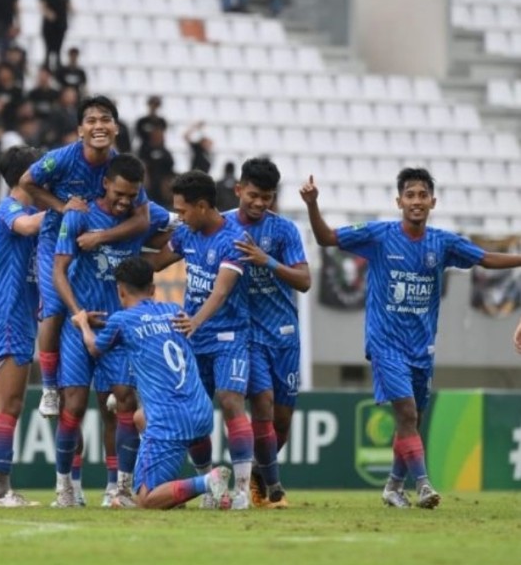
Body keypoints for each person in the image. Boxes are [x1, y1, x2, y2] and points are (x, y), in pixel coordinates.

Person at [300, 167, 521, 509]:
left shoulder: (443, 243)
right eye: (410, 195)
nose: (416, 201)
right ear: (398, 201)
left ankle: (392, 486)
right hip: (385, 342)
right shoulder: (378, 235)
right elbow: (326, 238)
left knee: (412, 420)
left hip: (422, 346)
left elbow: (487, 259)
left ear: (433, 201)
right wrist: (313, 205)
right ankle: (424, 486)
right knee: (405, 413)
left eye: (422, 195)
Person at [18, 95, 149, 419]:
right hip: (55, 236)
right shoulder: (61, 159)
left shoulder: (120, 166)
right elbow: (26, 182)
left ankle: (116, 383)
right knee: (56, 306)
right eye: (91, 121)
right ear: (80, 129)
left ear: (116, 128)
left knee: (110, 302)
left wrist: (101, 236)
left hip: (95, 234)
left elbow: (143, 218)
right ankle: (49, 386)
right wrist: (62, 208)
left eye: (105, 120)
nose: (98, 126)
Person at [73, 257, 233, 510]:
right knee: (139, 418)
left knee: (146, 500)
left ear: (120, 291)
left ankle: (208, 482)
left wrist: (82, 322)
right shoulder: (173, 311)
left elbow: (94, 348)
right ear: (152, 289)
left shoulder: (122, 321)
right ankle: (202, 489)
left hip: (169, 420)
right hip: (201, 411)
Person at [146, 171, 253, 509]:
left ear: (203, 206)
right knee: (194, 412)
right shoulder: (186, 235)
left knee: (231, 400)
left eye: (183, 210)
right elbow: (156, 261)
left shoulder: (234, 239)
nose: (179, 217)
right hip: (194, 336)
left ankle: (244, 491)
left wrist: (194, 320)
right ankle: (209, 486)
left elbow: (221, 292)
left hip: (229, 335)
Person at [51, 154, 148, 508]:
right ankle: (66, 486)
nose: (125, 201)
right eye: (120, 193)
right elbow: (58, 271)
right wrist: (77, 314)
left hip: (118, 327)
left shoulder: (140, 217)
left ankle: (118, 488)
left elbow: (174, 231)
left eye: (132, 195)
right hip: (80, 326)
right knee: (72, 407)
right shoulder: (78, 215)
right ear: (106, 182)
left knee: (121, 403)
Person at [225, 158, 311, 508]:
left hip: (285, 336)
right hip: (247, 333)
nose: (260, 203)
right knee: (262, 404)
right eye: (254, 195)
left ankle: (261, 474)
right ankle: (272, 488)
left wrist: (268, 261)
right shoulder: (223, 226)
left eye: (267, 197)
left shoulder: (285, 231)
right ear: (239, 190)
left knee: (282, 423)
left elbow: (304, 281)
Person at [0, 146, 44, 507]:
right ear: (26, 176)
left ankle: (0, 488)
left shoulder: (27, 210)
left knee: (12, 404)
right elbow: (28, 225)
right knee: (8, 404)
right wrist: (67, 208)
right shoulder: (11, 209)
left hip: (15, 316)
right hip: (5, 317)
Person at [39, 0, 71, 72]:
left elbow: (69, 5)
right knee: (49, 47)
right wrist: (48, 13)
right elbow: (42, 6)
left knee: (58, 47)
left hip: (60, 25)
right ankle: (46, 64)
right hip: (49, 26)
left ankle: (58, 64)